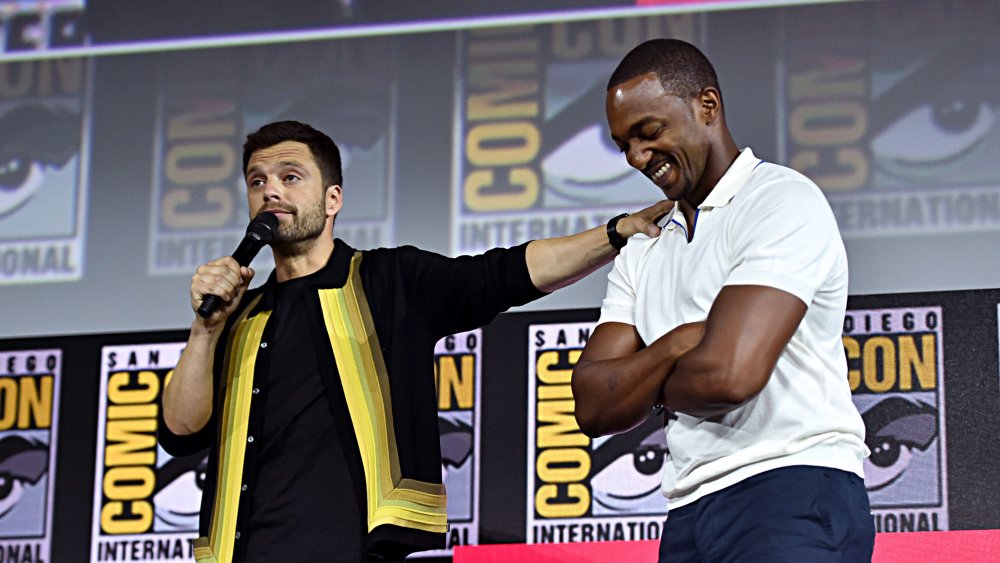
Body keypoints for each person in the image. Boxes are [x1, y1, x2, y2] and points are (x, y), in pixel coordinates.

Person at [157, 120, 671, 563]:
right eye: (258, 181)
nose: (271, 191)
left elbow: (506, 273)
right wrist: (205, 330)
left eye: (291, 178)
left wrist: (615, 232)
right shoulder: (240, 315)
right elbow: (181, 430)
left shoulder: (389, 279)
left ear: (333, 198)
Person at [571, 39, 875, 562]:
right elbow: (594, 406)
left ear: (706, 106)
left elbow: (729, 375)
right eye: (624, 144)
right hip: (688, 512)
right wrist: (676, 346)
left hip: (791, 488)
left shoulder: (779, 200)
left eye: (649, 133)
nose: (638, 158)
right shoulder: (643, 247)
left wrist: (642, 383)